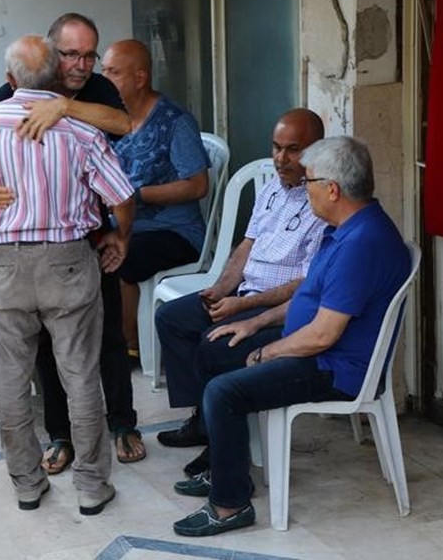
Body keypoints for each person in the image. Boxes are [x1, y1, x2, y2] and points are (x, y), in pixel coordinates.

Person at [171, 136, 411, 537]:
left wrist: (266, 352)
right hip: (316, 349)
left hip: (335, 368)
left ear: (332, 190)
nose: (304, 187)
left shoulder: (362, 244)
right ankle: (223, 468)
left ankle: (229, 506)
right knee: (216, 348)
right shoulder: (347, 227)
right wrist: (254, 323)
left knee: (224, 392)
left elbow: (322, 334)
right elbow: (311, 297)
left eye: (310, 181)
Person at [0, 35, 136, 515]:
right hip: (68, 260)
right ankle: (91, 486)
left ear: (10, 81)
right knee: (81, 375)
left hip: (4, 262)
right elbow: (121, 194)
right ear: (55, 79)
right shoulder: (79, 130)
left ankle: (27, 484)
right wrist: (120, 237)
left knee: (9, 379)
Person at [0, 13, 143, 471]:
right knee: (48, 349)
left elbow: (122, 122)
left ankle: (123, 423)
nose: (82, 64)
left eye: (90, 55)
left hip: (89, 234)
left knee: (107, 335)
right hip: (26, 245)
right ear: (51, 54)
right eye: (71, 54)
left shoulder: (94, 92)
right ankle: (60, 436)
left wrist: (65, 107)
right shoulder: (16, 90)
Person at [154, 108, 327, 479]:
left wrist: (243, 305)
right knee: (171, 318)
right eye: (276, 148)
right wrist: (219, 288)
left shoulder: (322, 203)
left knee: (212, 345)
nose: (280, 159)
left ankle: (221, 446)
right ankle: (203, 417)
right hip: (244, 294)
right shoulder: (271, 189)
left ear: (317, 151)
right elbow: (246, 247)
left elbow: (306, 284)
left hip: (279, 310)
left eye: (292, 150)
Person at [101, 39, 210, 358]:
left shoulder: (174, 122)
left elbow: (198, 184)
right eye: (104, 70)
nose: (105, 79)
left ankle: (128, 344)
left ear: (140, 78)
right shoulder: (109, 119)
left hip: (174, 231)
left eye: (114, 73)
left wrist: (135, 195)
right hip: (125, 222)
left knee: (120, 256)